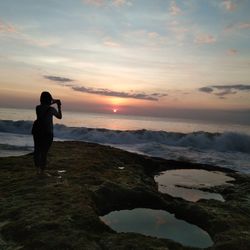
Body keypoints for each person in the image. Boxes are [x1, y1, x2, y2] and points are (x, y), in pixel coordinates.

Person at [32, 91, 62, 175]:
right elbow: (60, 117)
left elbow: (45, 106)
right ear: (49, 99)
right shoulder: (52, 109)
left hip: (37, 132)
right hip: (47, 133)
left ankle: (37, 170)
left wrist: (54, 102)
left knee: (37, 150)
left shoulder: (37, 108)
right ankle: (42, 171)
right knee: (44, 152)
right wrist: (58, 105)